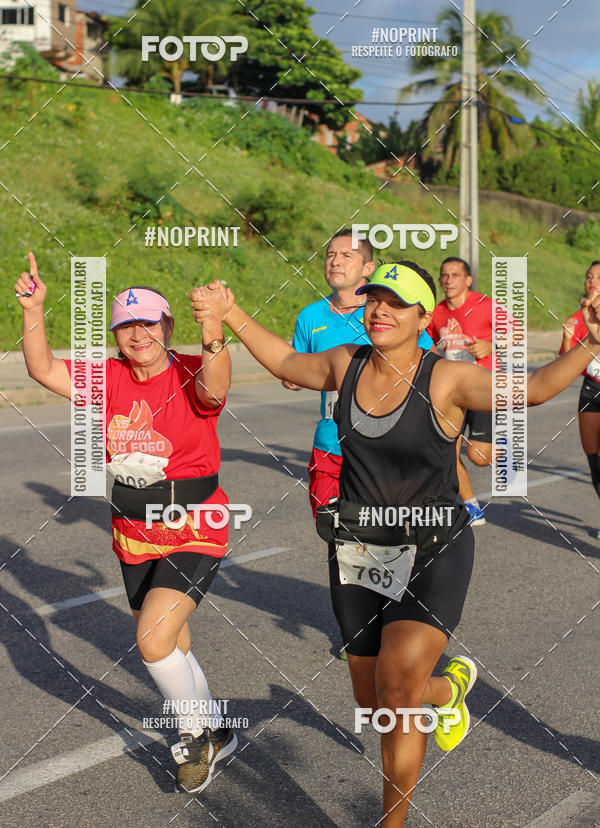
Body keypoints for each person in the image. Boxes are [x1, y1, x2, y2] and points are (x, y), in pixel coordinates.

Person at [190, 261, 600, 826]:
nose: (380, 309)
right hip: (359, 550)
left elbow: (529, 390)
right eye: (374, 299)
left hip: (434, 546)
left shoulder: (448, 378)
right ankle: (447, 689)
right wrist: (229, 311)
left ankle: (393, 820)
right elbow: (285, 361)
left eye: (396, 302)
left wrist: (591, 344)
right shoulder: (346, 363)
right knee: (374, 702)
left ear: (422, 317)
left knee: (396, 688)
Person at [15, 252, 237, 794]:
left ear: (168, 327)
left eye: (148, 322)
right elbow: (43, 370)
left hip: (195, 522)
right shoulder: (107, 376)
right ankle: (217, 730)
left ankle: (191, 737)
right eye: (126, 325)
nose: (138, 334)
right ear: (116, 334)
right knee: (174, 640)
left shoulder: (189, 370)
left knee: (153, 639)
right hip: (133, 529)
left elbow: (217, 384)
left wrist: (214, 332)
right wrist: (34, 310)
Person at [283, 228, 432, 520]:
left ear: (367, 268)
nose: (335, 262)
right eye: (330, 255)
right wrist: (294, 378)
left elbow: (426, 365)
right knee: (335, 534)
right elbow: (296, 369)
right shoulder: (309, 317)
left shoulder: (388, 315)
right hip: (329, 446)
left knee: (383, 540)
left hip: (383, 448)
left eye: (346, 256)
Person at [428, 257, 496, 526]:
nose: (448, 280)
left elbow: (518, 335)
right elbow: (429, 342)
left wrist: (491, 346)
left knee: (479, 457)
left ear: (467, 280)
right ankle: (471, 506)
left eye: (455, 275)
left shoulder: (485, 305)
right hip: (452, 392)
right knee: (447, 453)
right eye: (444, 275)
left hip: (480, 387)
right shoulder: (436, 312)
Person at [560, 260, 600, 539]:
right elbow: (562, 363)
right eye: (588, 276)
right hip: (591, 388)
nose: (592, 281)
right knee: (593, 458)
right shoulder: (579, 316)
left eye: (598, 277)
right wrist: (566, 335)